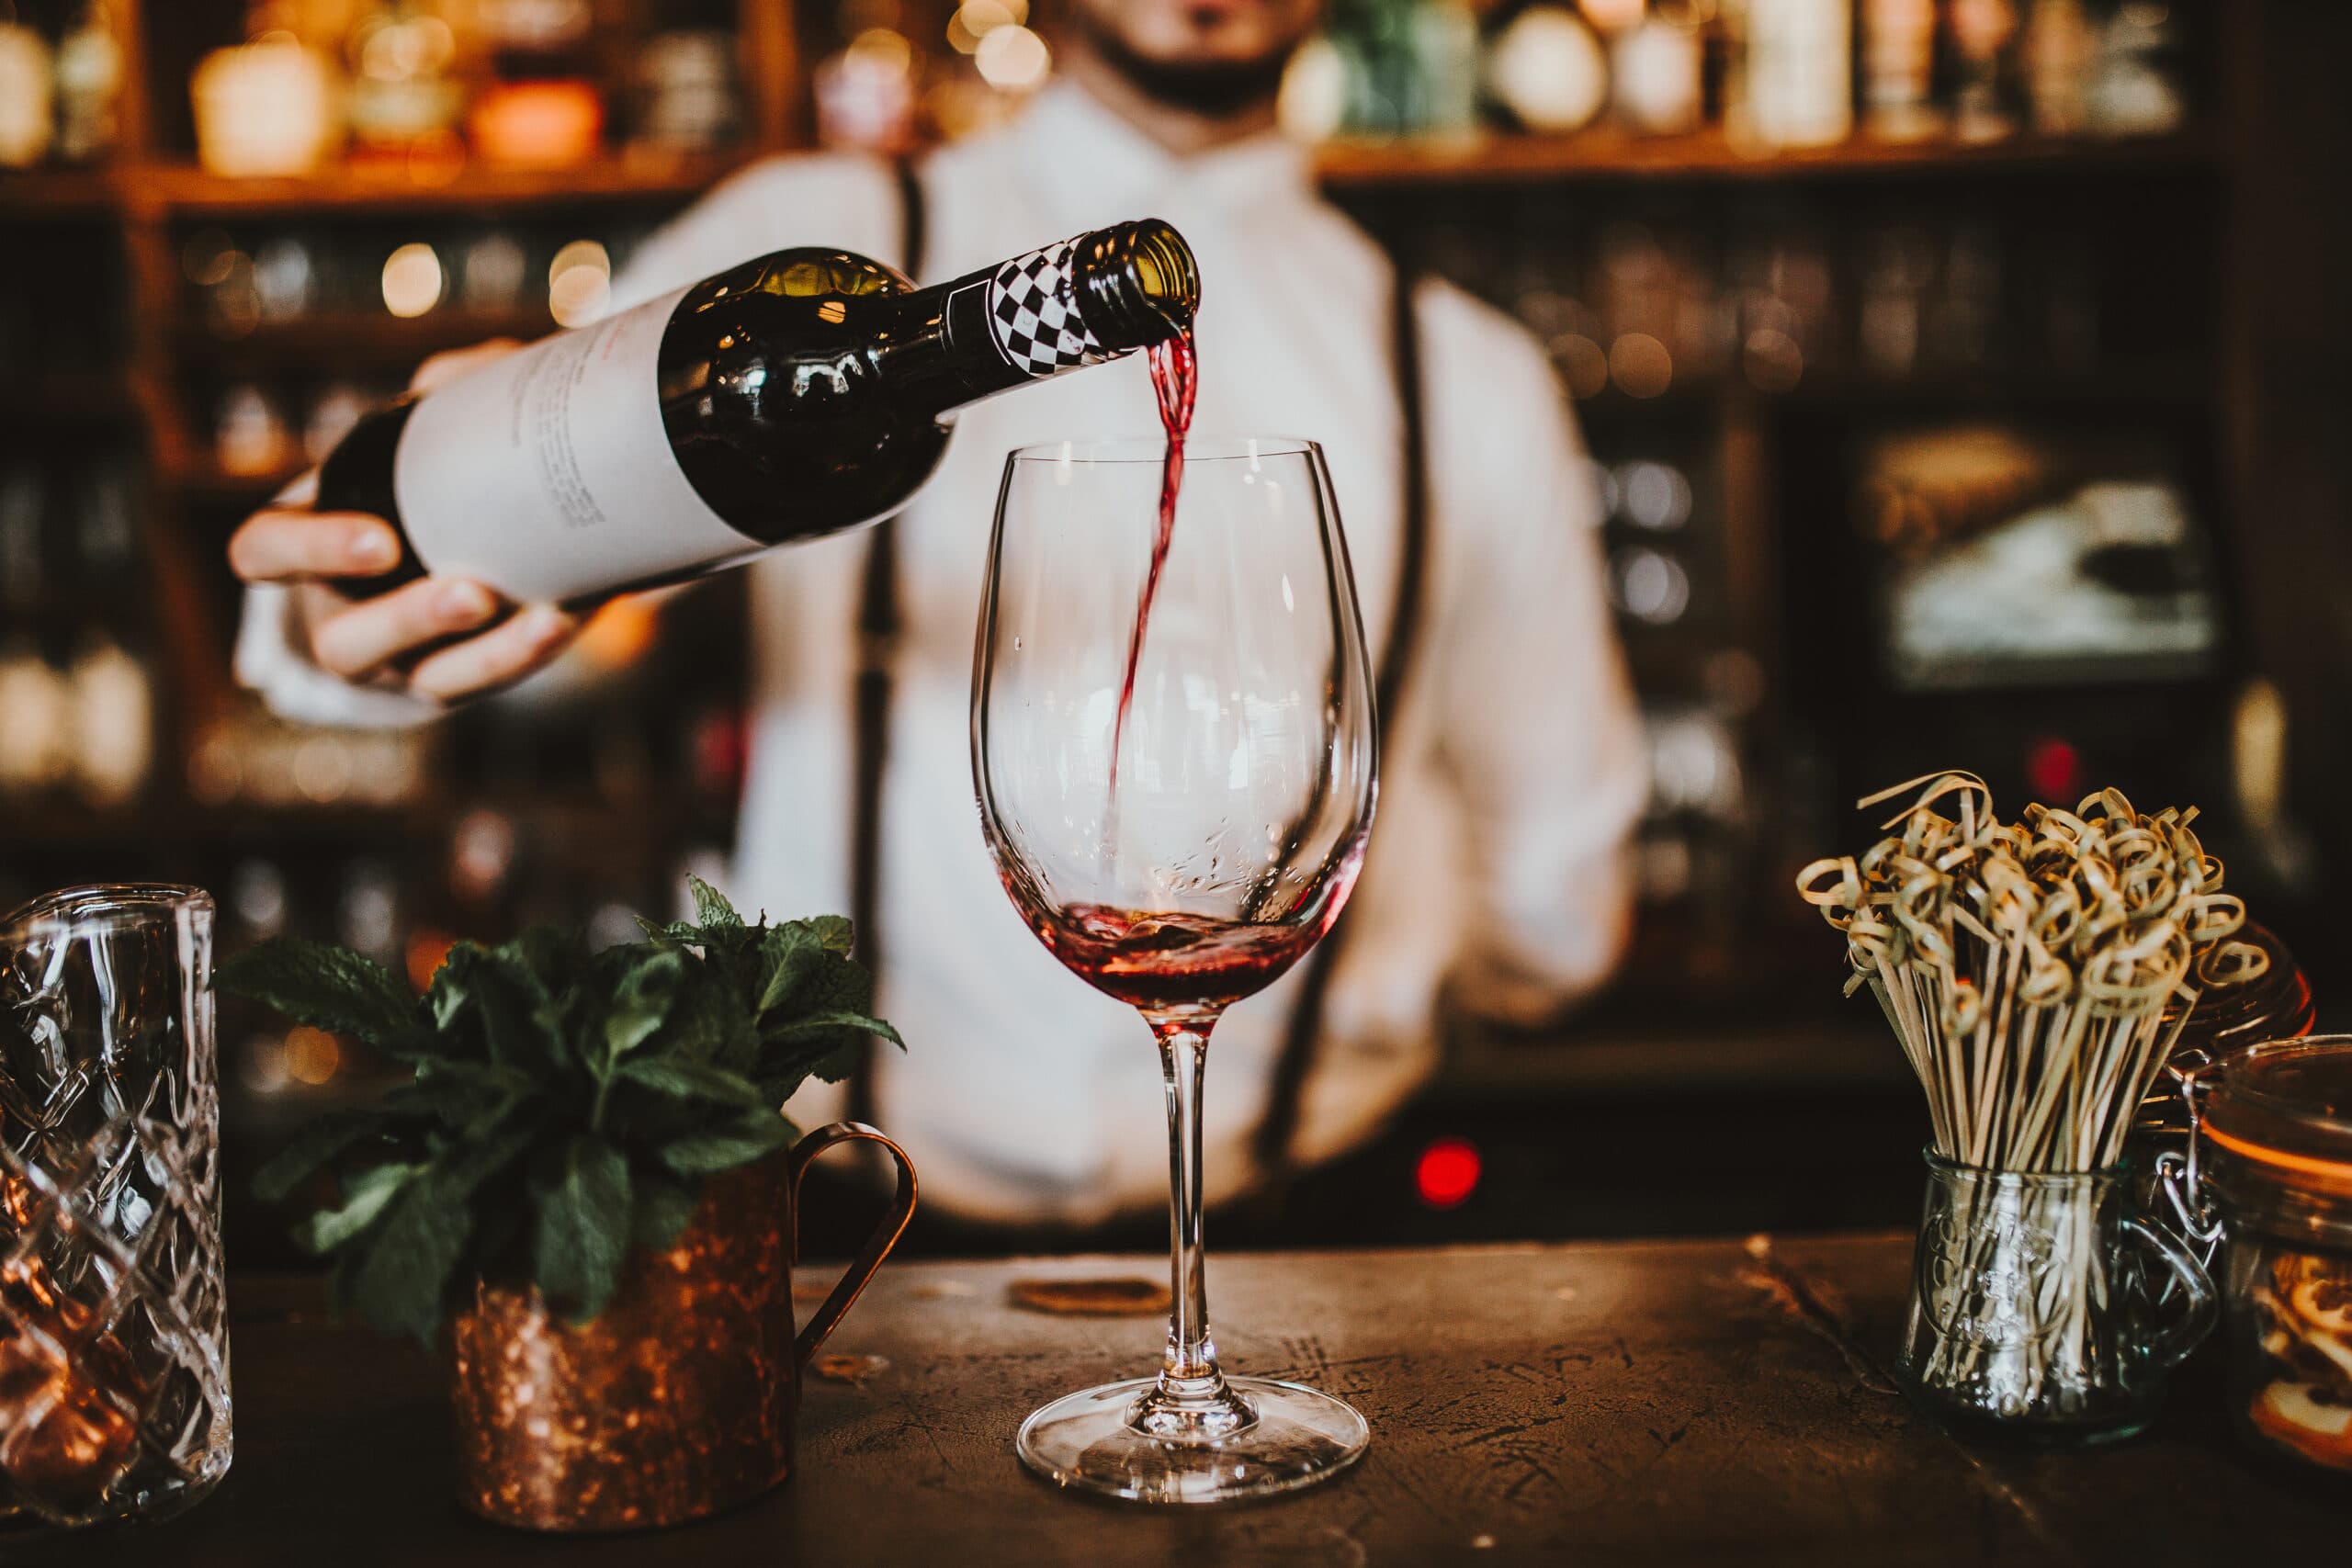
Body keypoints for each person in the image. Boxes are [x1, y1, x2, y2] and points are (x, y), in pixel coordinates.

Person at [227, 0, 1647, 1228]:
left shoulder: (1473, 374)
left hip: (1320, 1248)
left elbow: (1561, 899)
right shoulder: (820, 239)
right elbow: (457, 548)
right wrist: (350, 599)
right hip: (850, 1242)